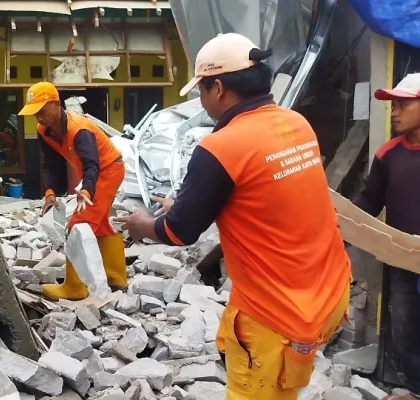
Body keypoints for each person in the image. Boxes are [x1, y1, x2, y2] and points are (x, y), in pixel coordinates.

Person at [116, 33, 351, 399]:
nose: (202, 101)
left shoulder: (220, 146)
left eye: (201, 91)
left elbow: (180, 233)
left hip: (277, 313)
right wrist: (183, 203)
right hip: (328, 292)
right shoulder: (296, 124)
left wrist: (143, 226)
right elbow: (261, 195)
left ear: (219, 88)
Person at [18, 81, 126, 300]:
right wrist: (49, 192)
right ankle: (116, 278)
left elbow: (92, 165)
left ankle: (74, 287)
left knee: (79, 223)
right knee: (100, 222)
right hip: (97, 171)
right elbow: (50, 164)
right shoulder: (44, 130)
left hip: (109, 169)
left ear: (56, 104)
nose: (38, 117)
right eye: (34, 113)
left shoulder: (79, 129)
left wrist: (86, 191)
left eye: (42, 110)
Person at [352, 73, 420, 400]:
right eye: (393, 105)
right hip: (403, 261)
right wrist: (339, 224)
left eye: (403, 104)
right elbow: (368, 202)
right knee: (406, 331)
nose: (395, 111)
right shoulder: (387, 155)